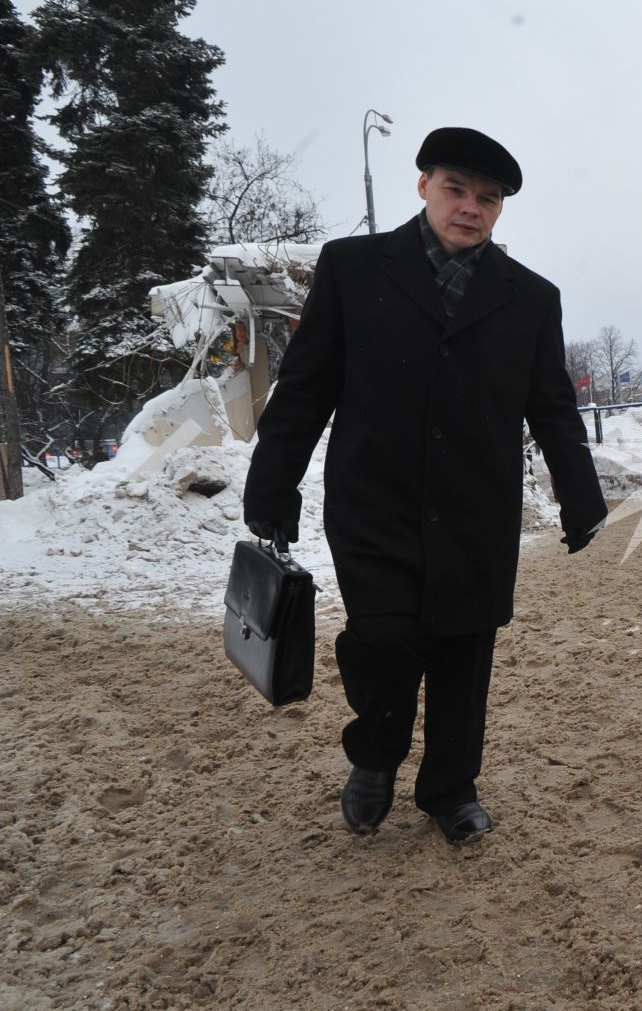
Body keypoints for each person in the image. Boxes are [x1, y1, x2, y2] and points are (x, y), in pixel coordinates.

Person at [243, 127, 607, 844]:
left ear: (501, 209)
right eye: (456, 189)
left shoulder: (531, 299)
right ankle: (375, 755)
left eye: (488, 198)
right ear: (423, 186)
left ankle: (449, 788)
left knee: (464, 653)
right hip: (373, 505)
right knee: (383, 640)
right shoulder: (352, 269)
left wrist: (581, 495)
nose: (470, 208)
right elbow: (305, 386)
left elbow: (553, 406)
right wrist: (272, 485)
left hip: (476, 511)